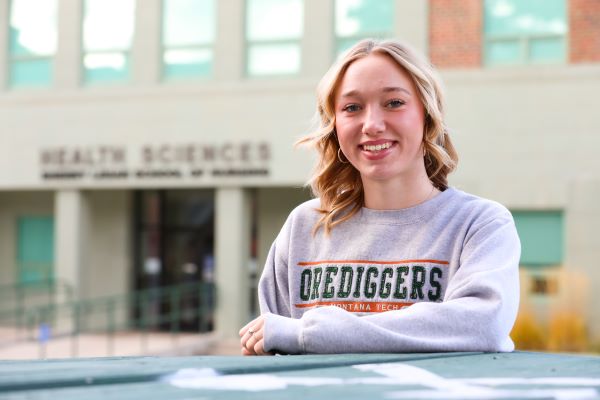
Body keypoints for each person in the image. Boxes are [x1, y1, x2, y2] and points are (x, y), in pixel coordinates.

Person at [239, 39, 520, 355]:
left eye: (394, 103)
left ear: (427, 115)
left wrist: (309, 333)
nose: (372, 125)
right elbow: (272, 347)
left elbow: (482, 325)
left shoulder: (478, 224)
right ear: (335, 126)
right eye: (352, 108)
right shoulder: (304, 226)